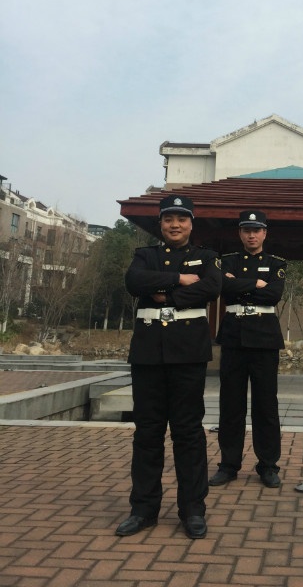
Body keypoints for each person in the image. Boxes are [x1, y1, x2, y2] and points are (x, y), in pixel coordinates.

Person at [115, 195, 221, 539]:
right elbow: (134, 282)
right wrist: (179, 278)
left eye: (181, 219)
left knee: (188, 433)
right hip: (148, 354)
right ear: (160, 223)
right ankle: (143, 510)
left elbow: (212, 287)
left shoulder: (206, 257)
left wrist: (166, 294)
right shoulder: (145, 255)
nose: (175, 225)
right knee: (147, 433)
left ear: (191, 224)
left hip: (187, 354)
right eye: (168, 219)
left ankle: (193, 510)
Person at [209, 210, 286, 488]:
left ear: (265, 233)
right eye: (246, 230)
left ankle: (268, 465)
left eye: (256, 230)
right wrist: (254, 284)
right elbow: (223, 287)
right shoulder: (226, 261)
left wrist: (237, 284)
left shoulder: (276, 263)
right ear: (239, 233)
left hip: (264, 339)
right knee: (231, 405)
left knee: (266, 406)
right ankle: (228, 465)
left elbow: (273, 294)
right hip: (234, 337)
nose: (251, 235)